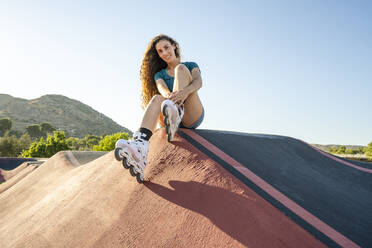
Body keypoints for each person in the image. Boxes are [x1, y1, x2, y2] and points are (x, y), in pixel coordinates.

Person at [114, 34, 204, 183]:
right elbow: (162, 88)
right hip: (169, 114)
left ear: (174, 46)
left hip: (191, 114)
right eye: (160, 51)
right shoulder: (159, 74)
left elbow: (198, 82)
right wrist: (170, 96)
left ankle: (177, 110)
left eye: (166, 48)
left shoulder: (189, 65)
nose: (164, 53)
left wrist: (185, 92)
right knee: (156, 98)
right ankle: (140, 146)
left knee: (180, 69)